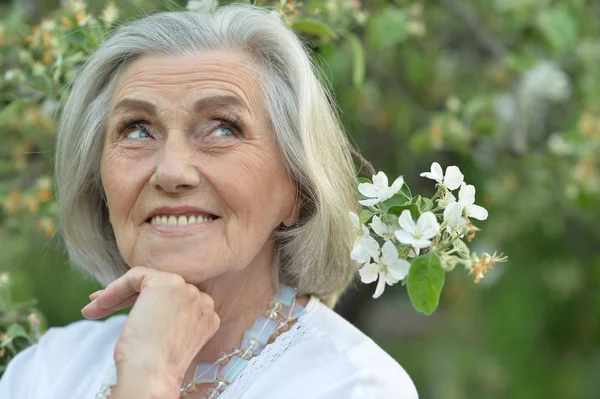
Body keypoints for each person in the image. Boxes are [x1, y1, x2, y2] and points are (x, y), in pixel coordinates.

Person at [0, 4, 418, 399]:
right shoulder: (46, 371)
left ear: (297, 188)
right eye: (138, 130)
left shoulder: (353, 385)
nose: (172, 172)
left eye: (222, 129)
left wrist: (151, 378)